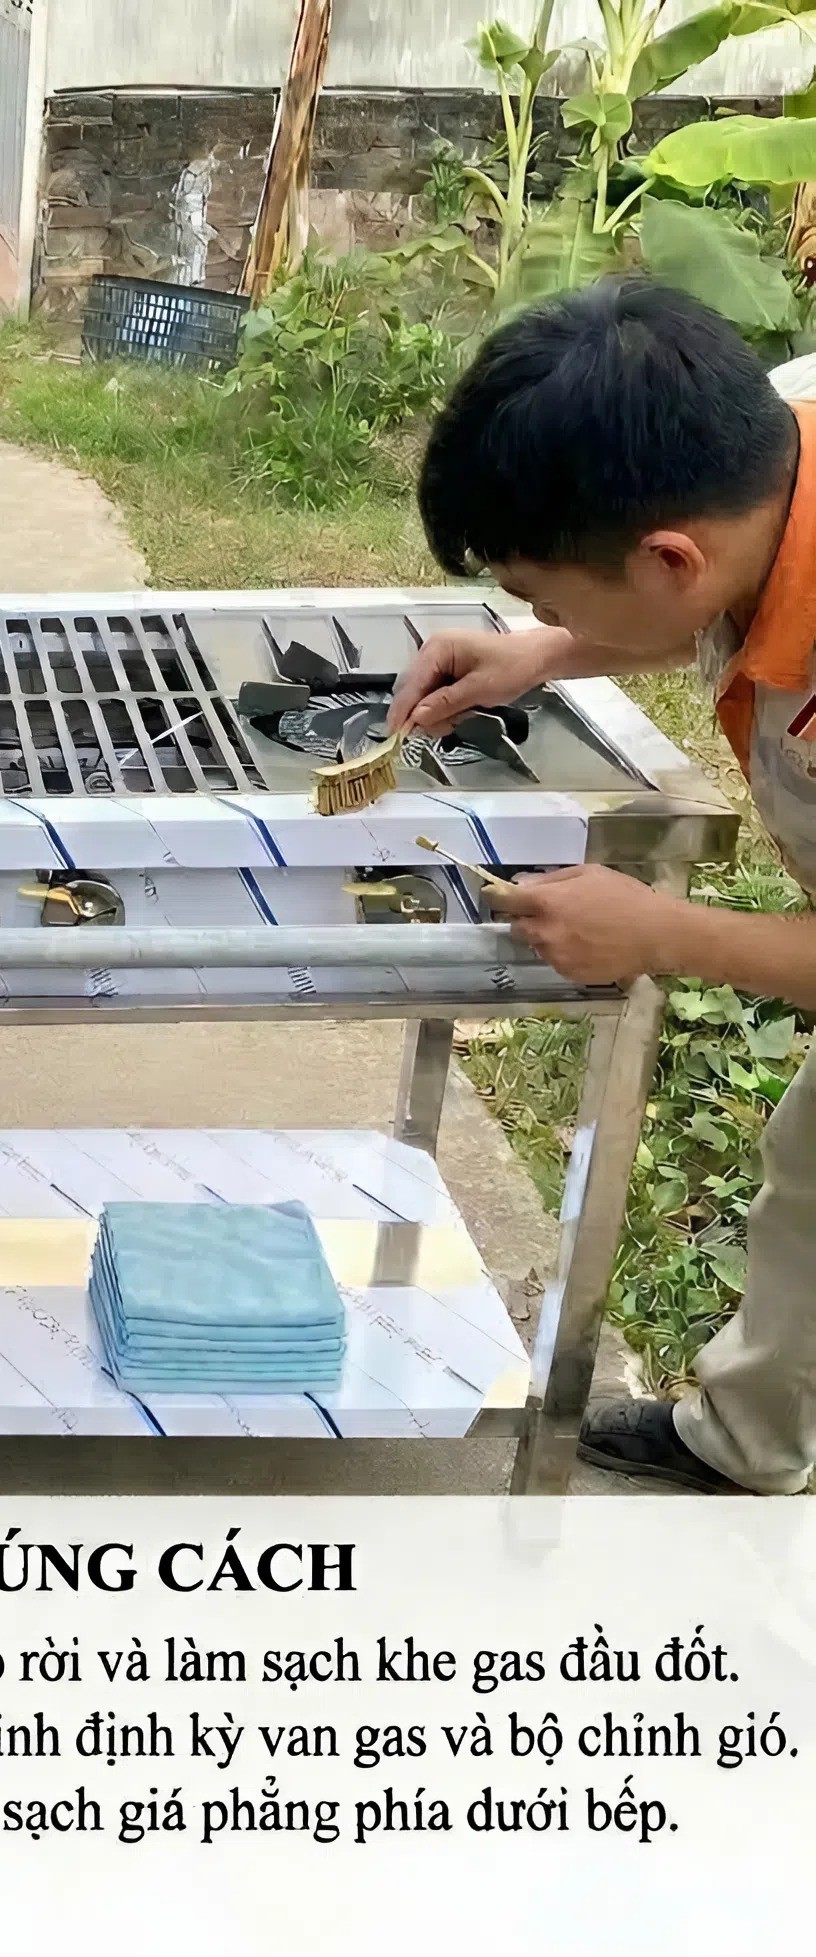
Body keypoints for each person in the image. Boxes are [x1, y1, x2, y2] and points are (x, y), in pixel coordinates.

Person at [392, 278, 816, 1496]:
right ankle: (746, 1446)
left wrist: (658, 929)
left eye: (542, 592)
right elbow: (698, 590)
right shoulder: (766, 435)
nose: (535, 613)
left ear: (666, 555)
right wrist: (542, 648)